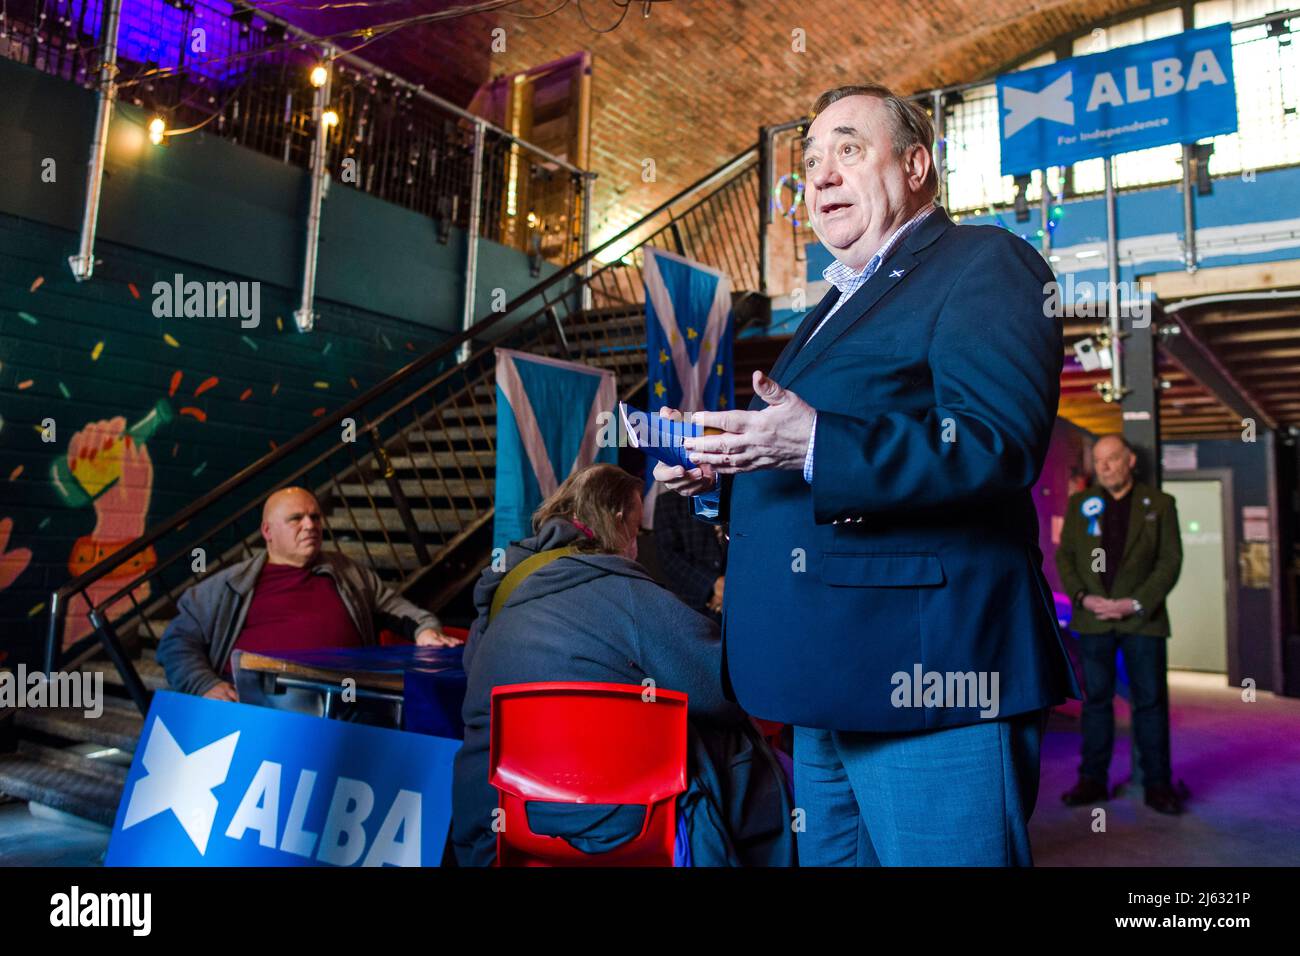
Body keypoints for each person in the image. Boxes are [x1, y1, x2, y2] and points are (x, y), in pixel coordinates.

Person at [656, 83, 1077, 866]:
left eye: (848, 149)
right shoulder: (829, 309)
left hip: (931, 683)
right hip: (826, 678)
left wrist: (813, 443)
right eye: (810, 161)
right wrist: (728, 471)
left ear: (917, 164)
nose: (818, 176)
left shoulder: (986, 263)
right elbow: (811, 455)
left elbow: (996, 442)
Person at [451, 463, 793, 866]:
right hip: (623, 825)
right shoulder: (624, 590)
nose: (637, 544)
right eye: (635, 528)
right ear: (617, 520)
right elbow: (723, 684)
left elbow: (476, 680)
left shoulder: (501, 594)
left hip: (500, 824)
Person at [157, 486, 455, 700]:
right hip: (260, 708)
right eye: (296, 518)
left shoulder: (347, 572)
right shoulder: (228, 585)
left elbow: (400, 609)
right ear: (267, 532)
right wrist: (203, 684)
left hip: (347, 703)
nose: (310, 525)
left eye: (315, 517)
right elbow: (176, 642)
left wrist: (425, 631)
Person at [1055, 434, 1184, 814]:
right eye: (1098, 460)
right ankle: (1092, 780)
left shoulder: (1159, 504)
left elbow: (1170, 562)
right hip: (1093, 619)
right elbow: (1067, 559)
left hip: (1143, 621)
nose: (1104, 467)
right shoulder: (1081, 504)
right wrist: (1082, 598)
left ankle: (1158, 785)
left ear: (1130, 461)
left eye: (1112, 459)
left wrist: (1135, 602)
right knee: (1096, 703)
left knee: (1150, 704)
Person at [653, 486, 727, 620]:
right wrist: (713, 584)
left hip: (737, 601)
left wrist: (730, 585)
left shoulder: (737, 497)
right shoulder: (667, 502)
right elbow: (668, 557)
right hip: (691, 609)